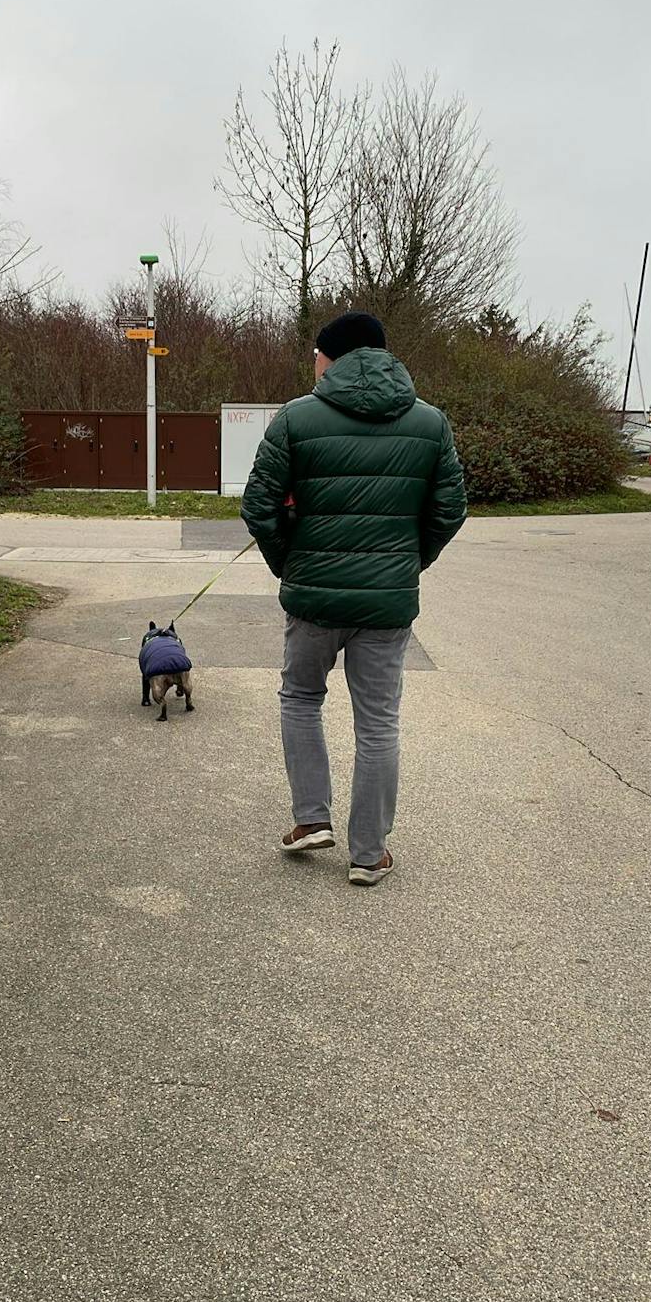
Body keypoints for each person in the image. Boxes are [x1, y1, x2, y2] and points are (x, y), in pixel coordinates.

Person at [241, 310, 466, 886]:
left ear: (330, 357)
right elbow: (449, 510)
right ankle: (368, 854)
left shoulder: (296, 418)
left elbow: (259, 506)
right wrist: (407, 563)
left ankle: (311, 819)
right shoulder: (430, 422)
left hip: (313, 600)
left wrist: (292, 564)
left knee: (300, 699)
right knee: (379, 723)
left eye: (316, 356)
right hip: (386, 605)